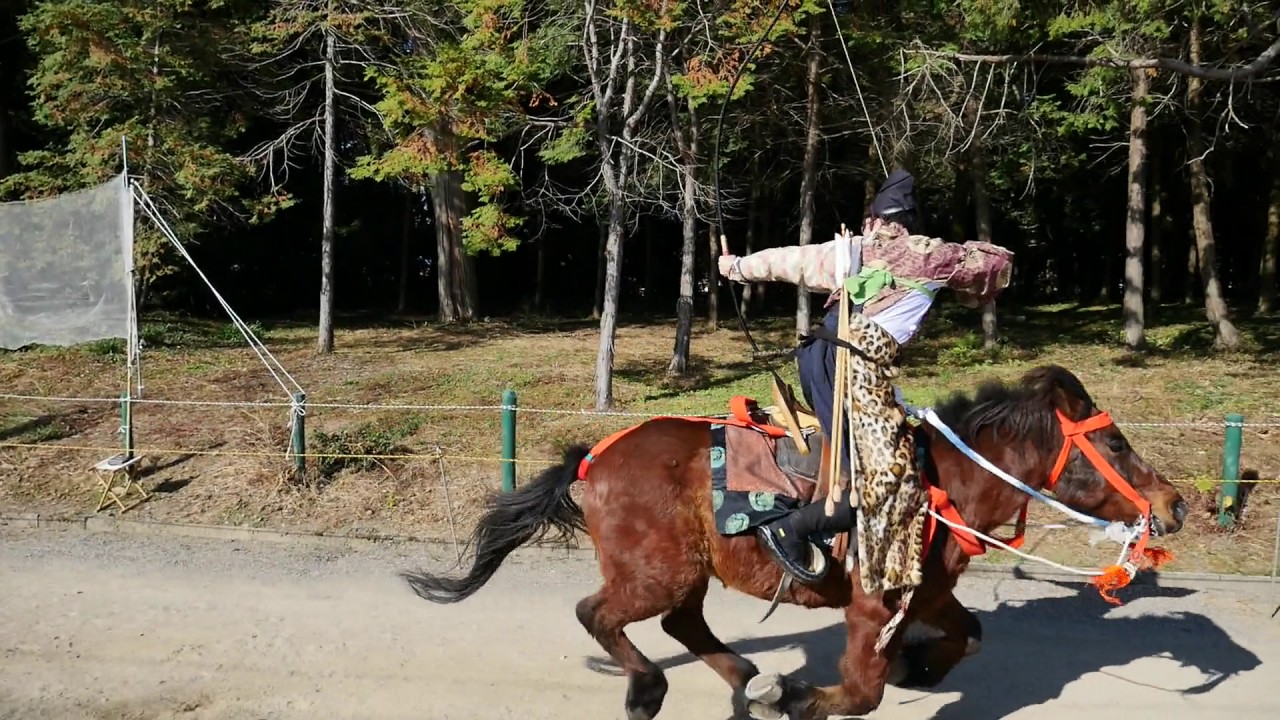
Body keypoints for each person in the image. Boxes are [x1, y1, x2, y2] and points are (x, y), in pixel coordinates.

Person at [717, 168, 1014, 584]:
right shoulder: (932, 255)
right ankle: (795, 530)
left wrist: (736, 267)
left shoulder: (854, 249)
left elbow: (788, 261)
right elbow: (998, 266)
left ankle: (837, 531)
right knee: (881, 475)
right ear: (912, 220)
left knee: (860, 460)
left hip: (819, 360)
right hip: (852, 370)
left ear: (875, 218)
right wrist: (959, 256)